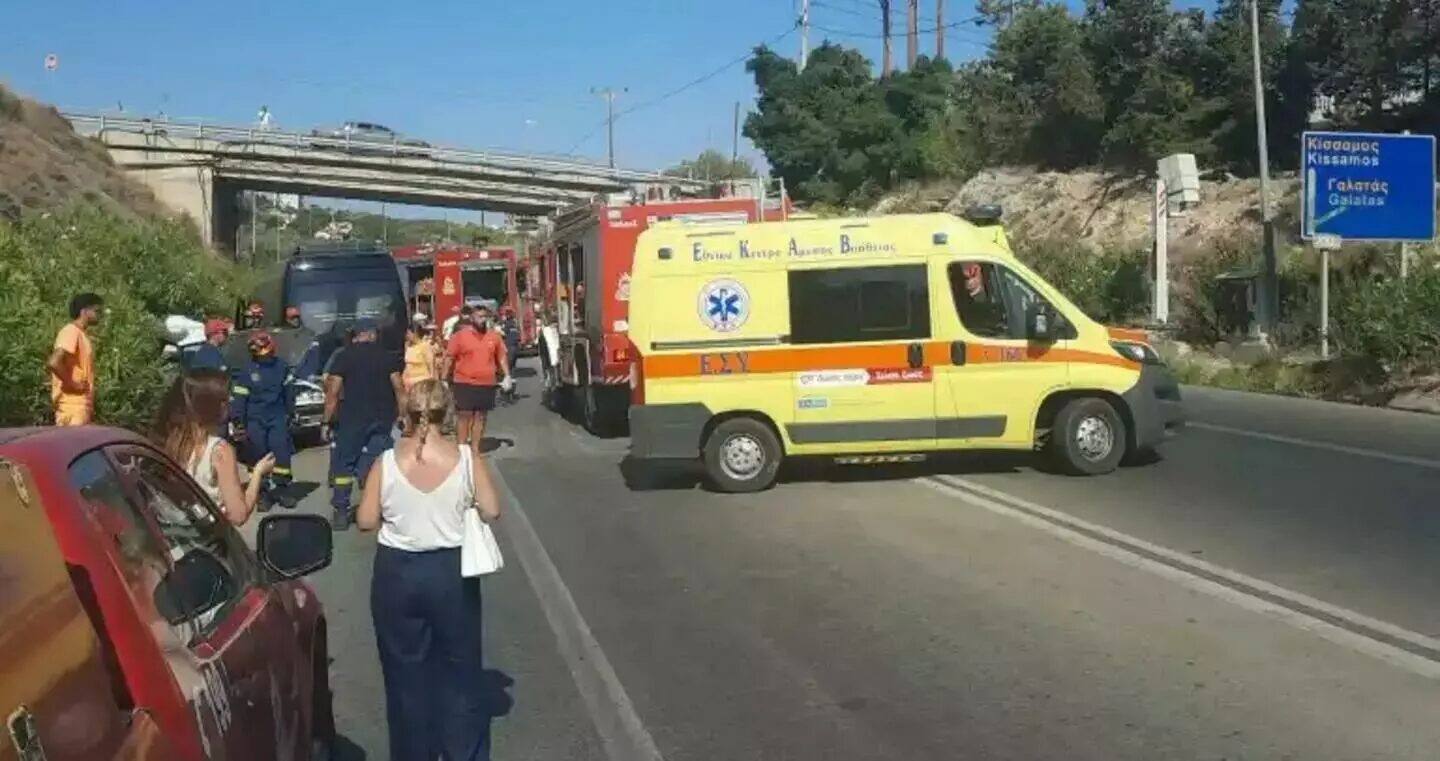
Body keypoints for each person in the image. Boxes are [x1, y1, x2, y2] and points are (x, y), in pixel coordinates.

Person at [357, 380, 501, 761]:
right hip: (451, 572)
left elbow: (366, 520)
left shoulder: (386, 462)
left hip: (397, 573)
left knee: (404, 678)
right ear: (447, 412)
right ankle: (463, 751)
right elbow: (492, 509)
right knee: (460, 673)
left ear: (407, 413)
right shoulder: (466, 458)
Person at [153, 369, 276, 525]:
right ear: (211, 406)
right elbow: (238, 516)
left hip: (172, 535)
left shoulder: (167, 442)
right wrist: (258, 472)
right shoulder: (219, 450)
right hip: (209, 536)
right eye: (224, 399)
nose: (230, 402)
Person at [324, 318, 404, 530]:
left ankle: (341, 510)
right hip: (382, 418)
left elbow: (333, 391)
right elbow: (399, 387)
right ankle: (380, 505)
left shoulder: (344, 356)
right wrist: (404, 415)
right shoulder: (386, 356)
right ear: (371, 334)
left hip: (352, 418)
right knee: (379, 460)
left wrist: (326, 420)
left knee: (344, 463)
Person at [231, 332, 297, 511]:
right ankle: (262, 493)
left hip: (277, 417)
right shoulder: (247, 371)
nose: (260, 356)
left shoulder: (282, 367)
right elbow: (240, 398)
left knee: (281, 452)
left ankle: (283, 489)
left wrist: (291, 413)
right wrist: (238, 421)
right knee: (257, 456)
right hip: (255, 419)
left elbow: (289, 392)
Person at [444, 306, 508, 453]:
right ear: (472, 318)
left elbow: (501, 356)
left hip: (487, 383)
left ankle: (475, 449)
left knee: (481, 417)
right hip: (464, 382)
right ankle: (462, 449)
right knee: (464, 415)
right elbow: (449, 358)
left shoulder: (494, 336)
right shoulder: (460, 336)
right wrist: (444, 379)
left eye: (485, 316)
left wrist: (507, 375)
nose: (482, 319)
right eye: (479, 316)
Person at [47, 292, 103, 426]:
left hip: (78, 406)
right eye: (97, 311)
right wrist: (72, 384)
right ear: (84, 311)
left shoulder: (81, 334)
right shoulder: (71, 331)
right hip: (72, 406)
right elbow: (54, 362)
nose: (100, 315)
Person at [402, 322, 437, 392]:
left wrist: (432, 382)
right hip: (408, 383)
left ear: (415, 333)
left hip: (422, 383)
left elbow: (431, 365)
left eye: (408, 333)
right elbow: (407, 365)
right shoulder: (408, 346)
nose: (407, 335)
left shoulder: (425, 346)